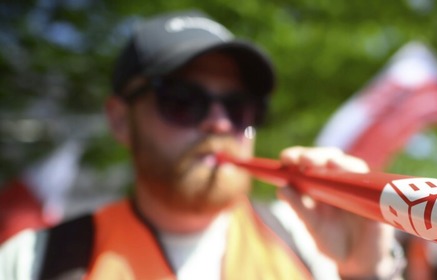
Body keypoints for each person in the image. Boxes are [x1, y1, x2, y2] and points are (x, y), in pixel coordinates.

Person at [0, 10, 404, 279]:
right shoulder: (34, 261)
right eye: (182, 101)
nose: (218, 122)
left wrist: (364, 272)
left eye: (239, 107)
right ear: (121, 120)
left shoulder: (313, 249)